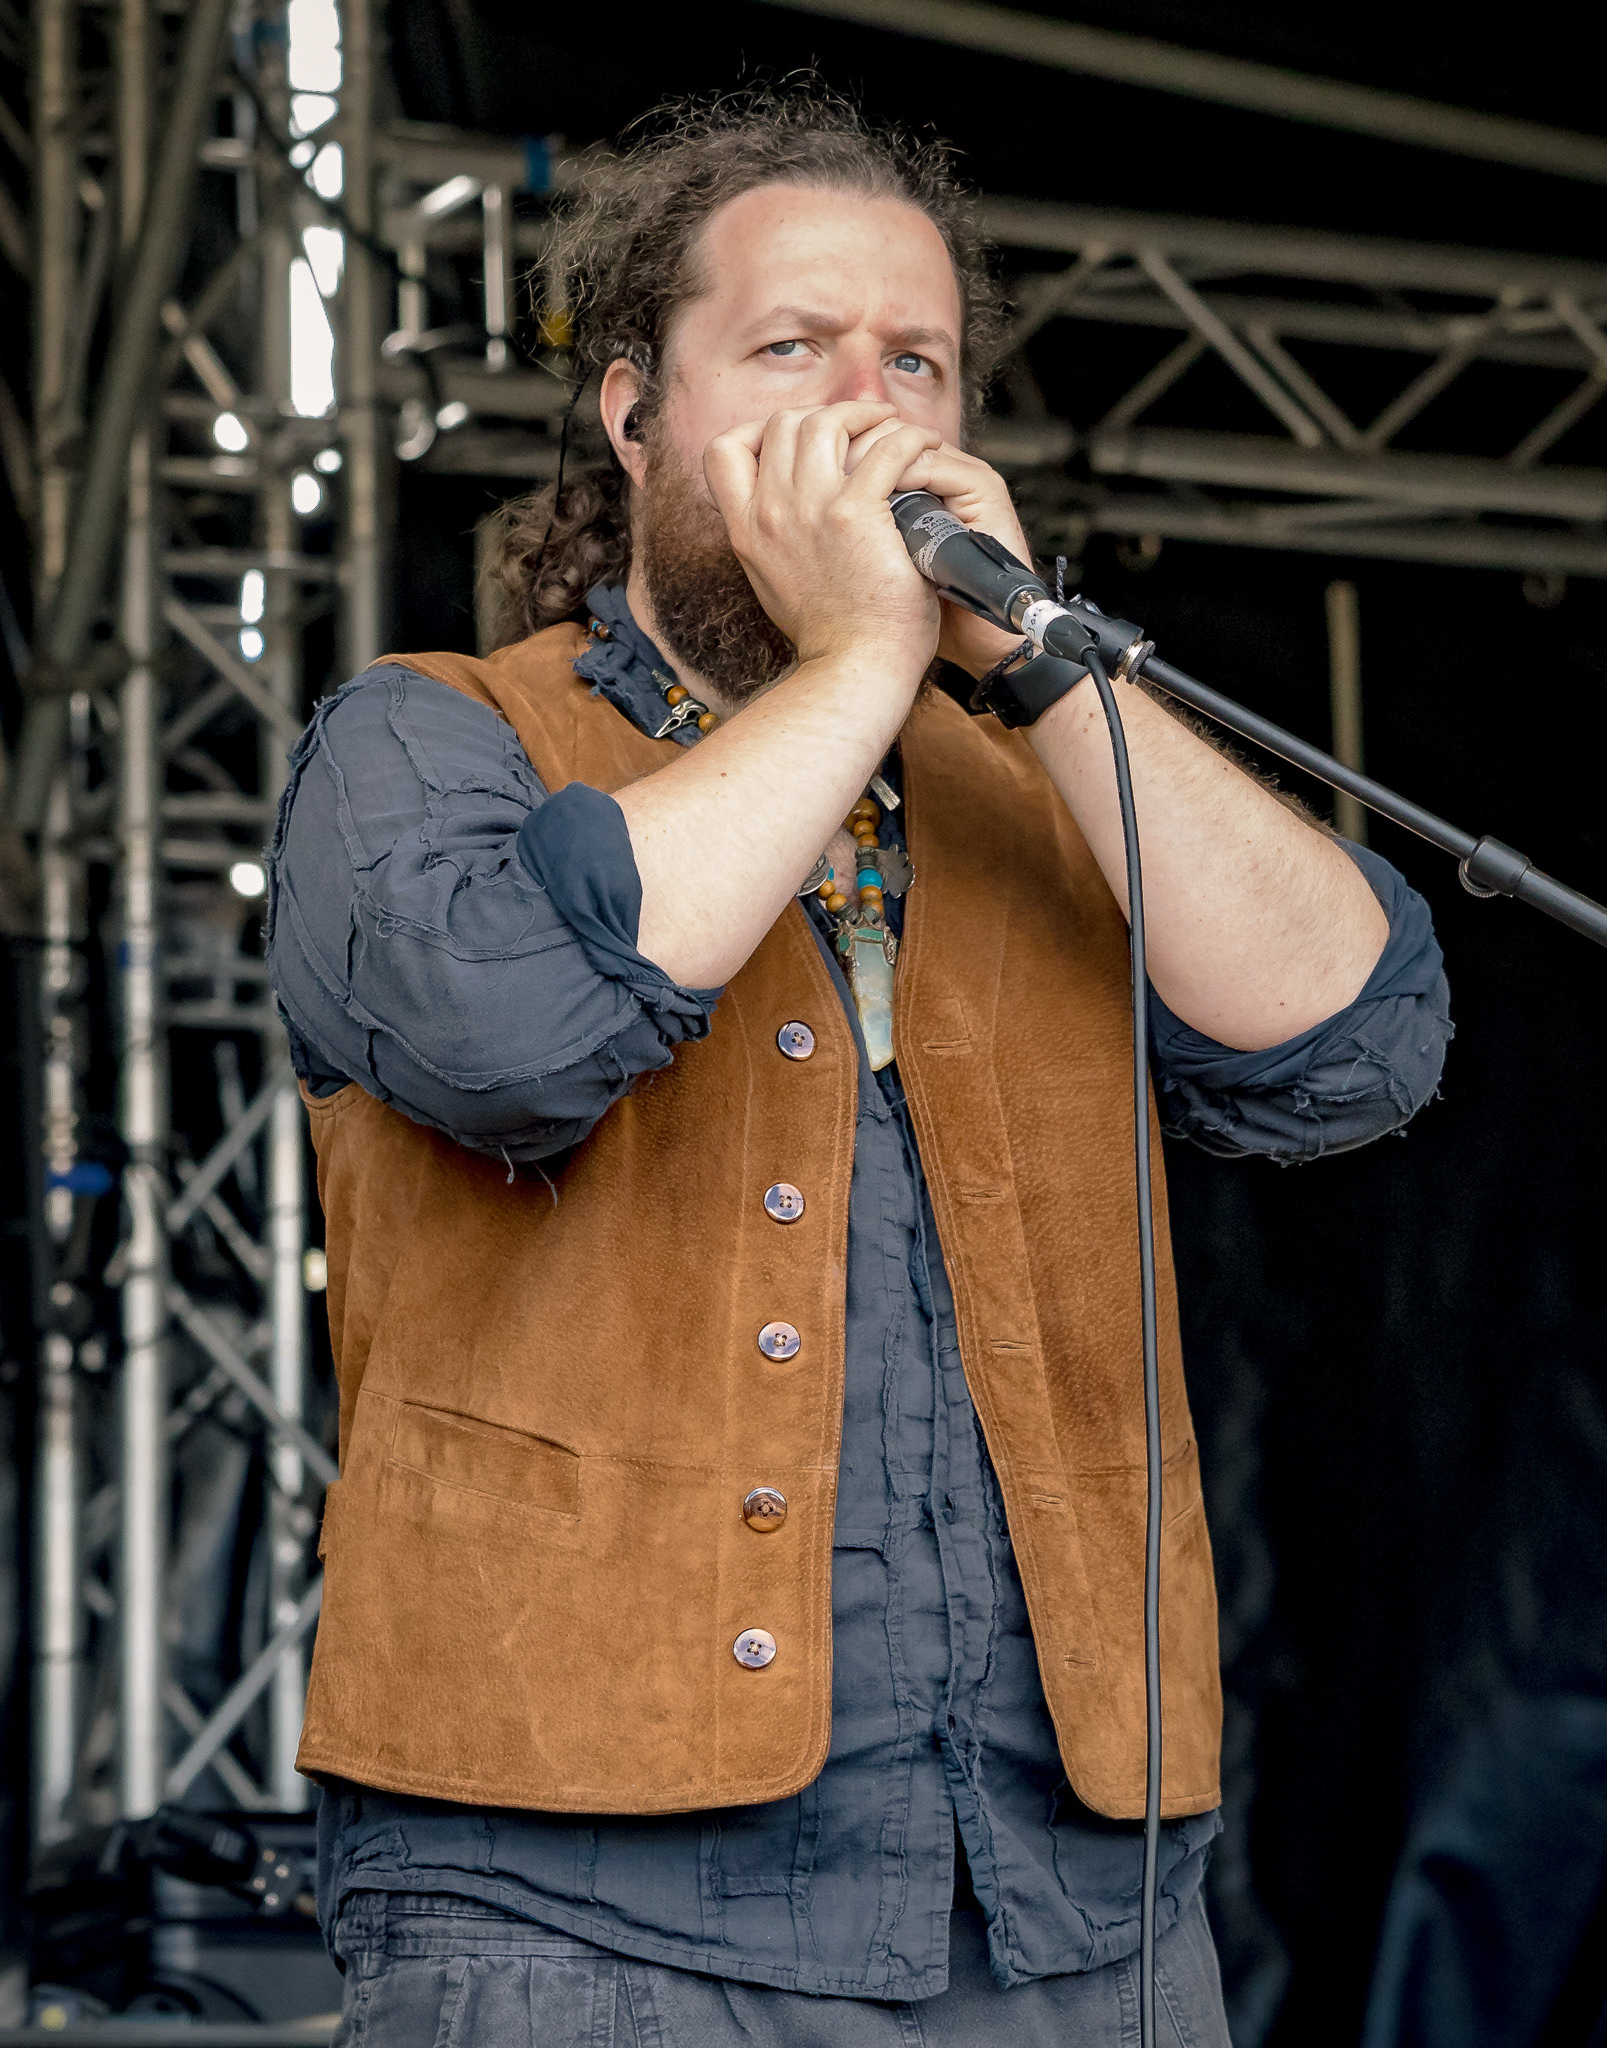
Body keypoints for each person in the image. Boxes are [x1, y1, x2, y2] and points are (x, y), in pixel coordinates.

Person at [267, 91, 1451, 2048]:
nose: (861, 410)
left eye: (915, 363)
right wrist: (848, 664)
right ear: (635, 416)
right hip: (574, 1893)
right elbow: (505, 1030)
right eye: (790, 348)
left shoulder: (1050, 784)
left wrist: (1035, 670)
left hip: (1068, 1893)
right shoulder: (429, 740)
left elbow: (1357, 1041)